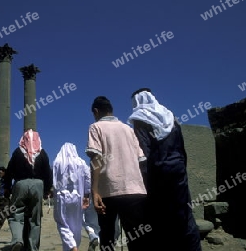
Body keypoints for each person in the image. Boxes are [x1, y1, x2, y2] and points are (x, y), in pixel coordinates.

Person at [128, 88, 202, 251]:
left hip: (158, 176)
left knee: (161, 220)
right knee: (185, 216)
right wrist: (181, 170)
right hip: (179, 172)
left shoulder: (140, 120)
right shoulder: (170, 117)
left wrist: (144, 184)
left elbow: (144, 155)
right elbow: (182, 149)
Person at [85, 96, 150, 251]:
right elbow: (141, 160)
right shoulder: (128, 129)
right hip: (135, 191)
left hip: (109, 192)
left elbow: (96, 158)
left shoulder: (96, 127)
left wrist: (94, 191)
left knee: (107, 238)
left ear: (96, 111)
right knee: (137, 239)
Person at [3, 129, 53, 251]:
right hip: (38, 185)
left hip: (20, 184)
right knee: (35, 219)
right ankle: (33, 247)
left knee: (16, 214)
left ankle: (17, 240)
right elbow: (48, 173)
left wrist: (7, 188)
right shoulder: (42, 153)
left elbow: (9, 172)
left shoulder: (17, 152)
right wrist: (47, 190)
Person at [52, 142, 91, 251]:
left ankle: (72, 246)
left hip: (61, 198)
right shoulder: (82, 163)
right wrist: (86, 196)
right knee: (76, 226)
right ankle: (74, 246)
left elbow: (55, 182)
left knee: (62, 223)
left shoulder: (57, 162)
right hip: (77, 197)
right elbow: (88, 180)